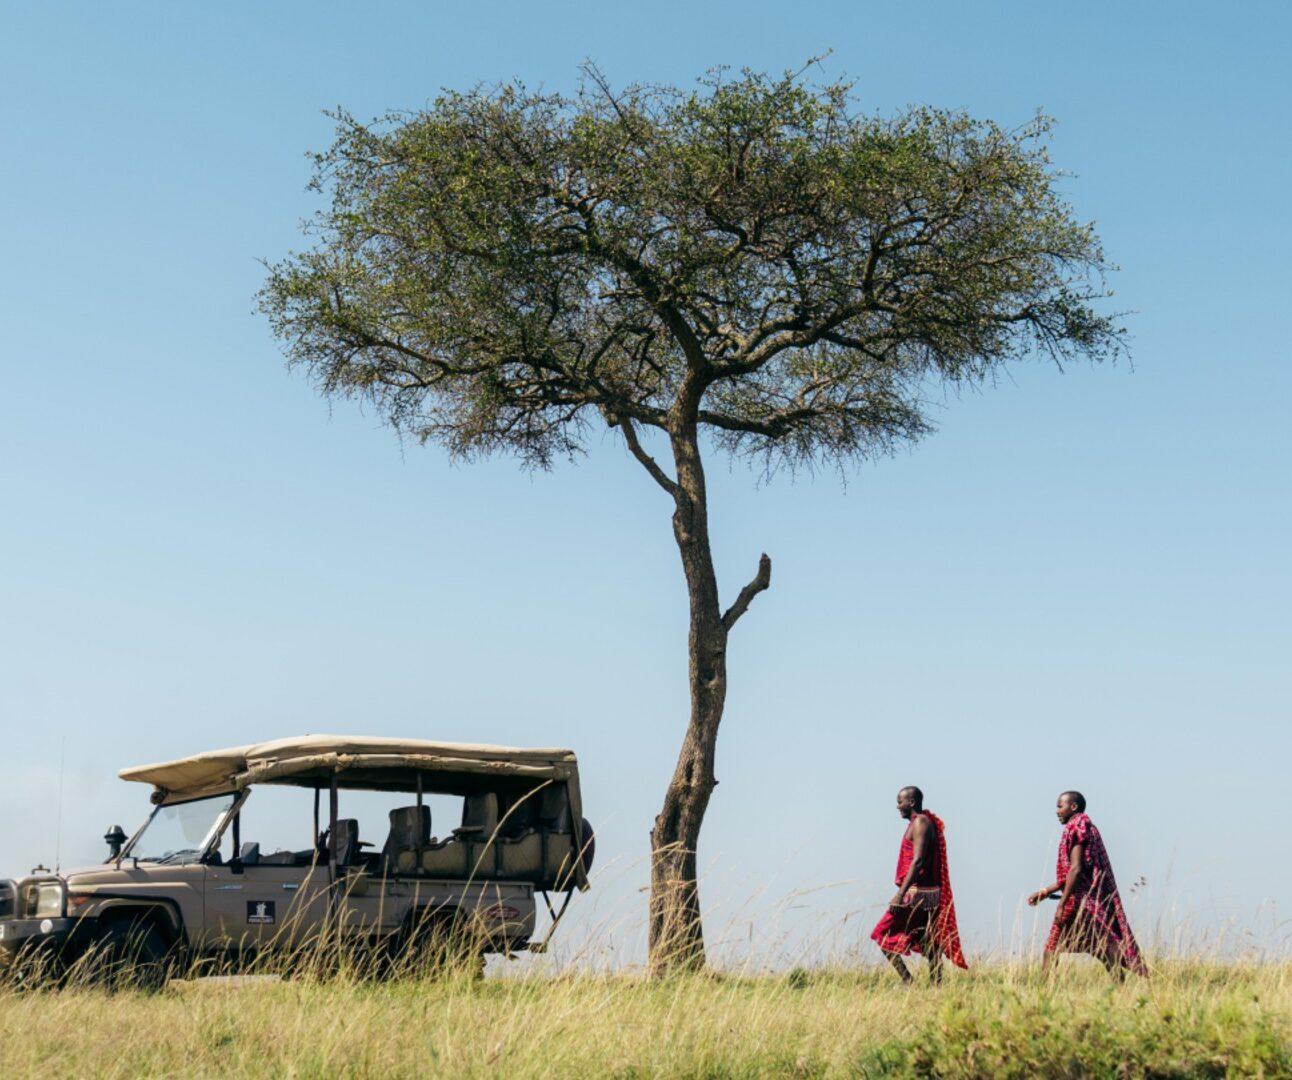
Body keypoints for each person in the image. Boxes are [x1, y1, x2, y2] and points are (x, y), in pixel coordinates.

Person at [1027, 791, 1148, 979]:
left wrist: (1062, 903)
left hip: (1078, 902)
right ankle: (1127, 985)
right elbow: (1072, 874)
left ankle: (1042, 991)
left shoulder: (1077, 827)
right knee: (1101, 948)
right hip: (1088, 901)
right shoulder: (1086, 827)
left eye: (1060, 806)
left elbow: (1076, 869)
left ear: (1073, 807)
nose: (1057, 811)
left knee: (1053, 948)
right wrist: (1045, 892)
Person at [871, 786, 967, 984]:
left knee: (882, 934)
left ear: (912, 802)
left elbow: (918, 861)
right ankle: (936, 987)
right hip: (927, 894)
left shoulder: (921, 823)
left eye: (900, 802)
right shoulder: (920, 823)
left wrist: (900, 895)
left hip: (918, 894)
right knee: (929, 943)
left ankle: (909, 982)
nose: (898, 806)